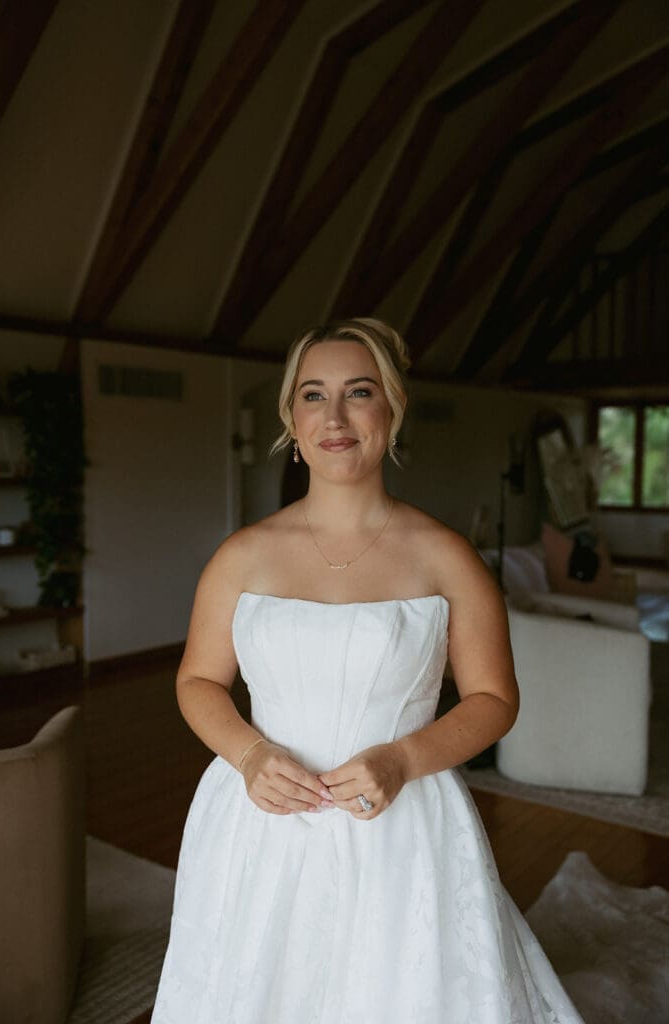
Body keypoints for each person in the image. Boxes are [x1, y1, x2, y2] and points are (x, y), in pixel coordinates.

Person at [152, 318, 584, 1023]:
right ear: (291, 421)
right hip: (262, 816)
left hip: (403, 819)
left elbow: (493, 698)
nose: (335, 417)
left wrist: (402, 759)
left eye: (358, 392)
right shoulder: (241, 556)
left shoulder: (446, 557)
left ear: (392, 409)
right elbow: (197, 680)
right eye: (313, 395)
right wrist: (249, 754)